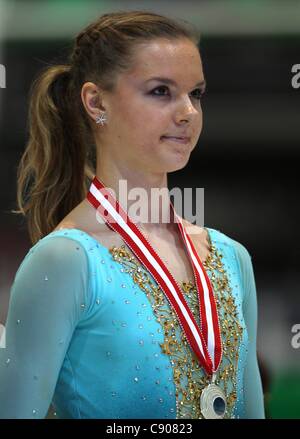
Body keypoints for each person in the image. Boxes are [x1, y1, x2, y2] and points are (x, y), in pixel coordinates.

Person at [0, 10, 265, 419]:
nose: (188, 113)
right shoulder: (66, 261)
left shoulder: (232, 258)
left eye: (196, 94)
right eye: (161, 91)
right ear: (96, 101)